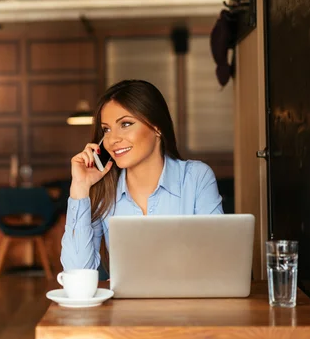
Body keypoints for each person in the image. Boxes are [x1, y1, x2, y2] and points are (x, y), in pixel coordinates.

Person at [60, 80, 224, 272]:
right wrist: (80, 188)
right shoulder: (104, 190)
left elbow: (216, 260)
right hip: (125, 302)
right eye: (106, 129)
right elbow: (77, 272)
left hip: (186, 301)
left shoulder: (196, 178)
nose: (112, 139)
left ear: (157, 127)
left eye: (126, 124)